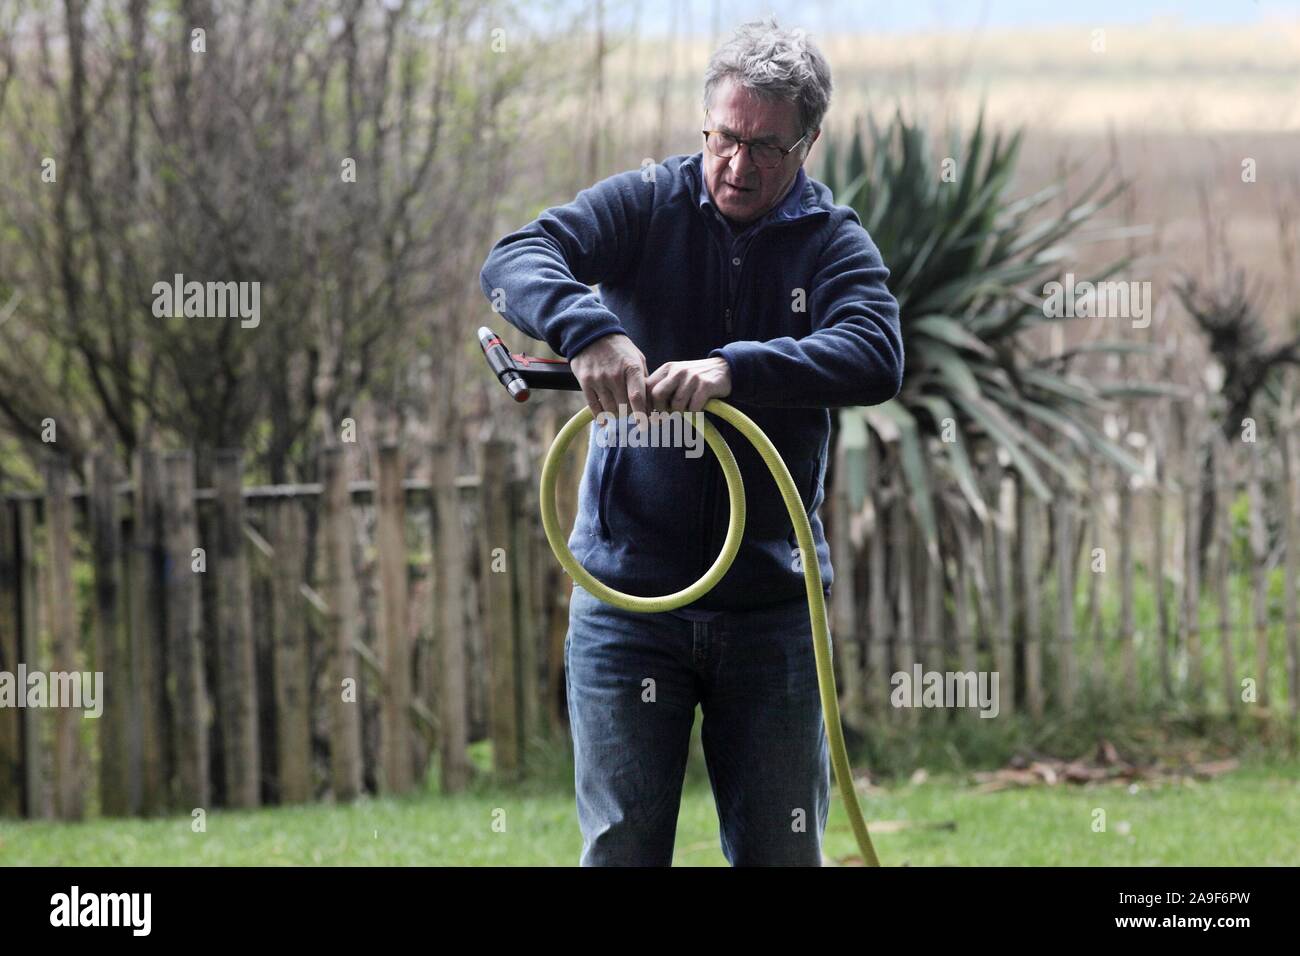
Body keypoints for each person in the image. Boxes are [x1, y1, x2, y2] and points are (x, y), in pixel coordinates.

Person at [478, 16, 903, 866]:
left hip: (772, 611)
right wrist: (588, 328)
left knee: (782, 855)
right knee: (623, 850)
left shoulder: (830, 241)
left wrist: (731, 369)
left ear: (808, 143)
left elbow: (875, 352)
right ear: (704, 125)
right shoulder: (645, 204)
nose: (738, 165)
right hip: (626, 606)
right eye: (725, 137)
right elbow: (516, 257)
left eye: (767, 148)